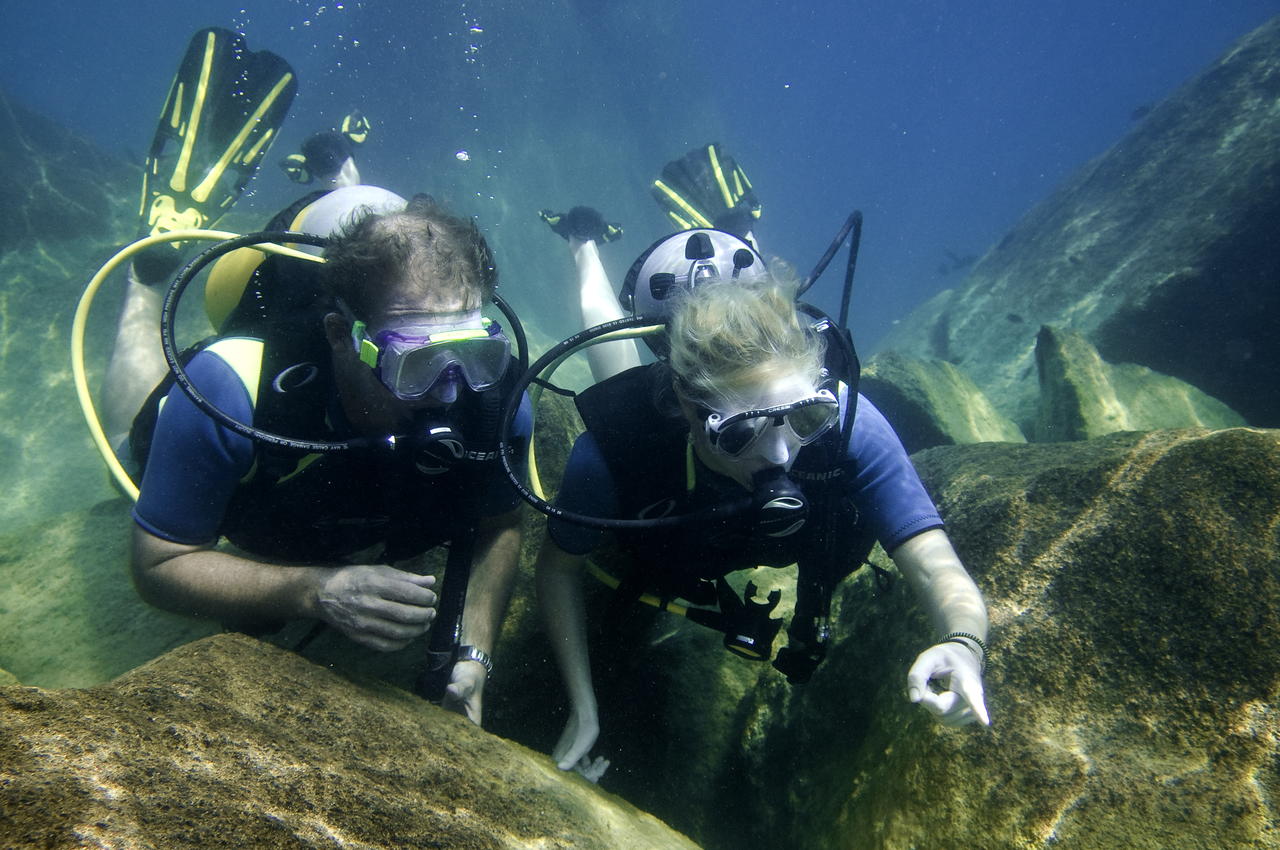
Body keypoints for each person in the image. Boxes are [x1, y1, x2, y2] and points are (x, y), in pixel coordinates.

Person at [96, 28, 530, 724]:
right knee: (128, 440)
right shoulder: (231, 385)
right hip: (269, 307)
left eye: (471, 355)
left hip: (370, 270)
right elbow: (157, 564)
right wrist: (314, 591)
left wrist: (475, 656)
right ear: (340, 336)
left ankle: (346, 184)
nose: (452, 390)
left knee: (384, 247)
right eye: (418, 361)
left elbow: (502, 524)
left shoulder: (495, 388)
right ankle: (148, 278)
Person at [532, 145, 989, 778]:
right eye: (742, 430)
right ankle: (584, 241)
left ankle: (735, 234)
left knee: (763, 305)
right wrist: (585, 708)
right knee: (616, 355)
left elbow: (937, 561)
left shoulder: (849, 422)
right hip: (657, 406)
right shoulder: (620, 449)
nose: (780, 454)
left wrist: (964, 644)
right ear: (687, 408)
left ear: (819, 391)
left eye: (803, 418)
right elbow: (558, 570)